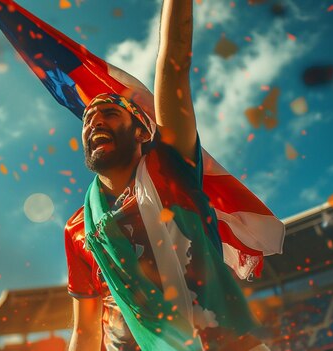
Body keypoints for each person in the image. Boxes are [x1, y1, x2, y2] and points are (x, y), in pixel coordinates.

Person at [64, 0, 272, 350]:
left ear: (143, 133)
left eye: (111, 113)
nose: (95, 122)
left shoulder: (172, 169)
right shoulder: (76, 229)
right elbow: (85, 331)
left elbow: (175, 63)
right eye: (88, 120)